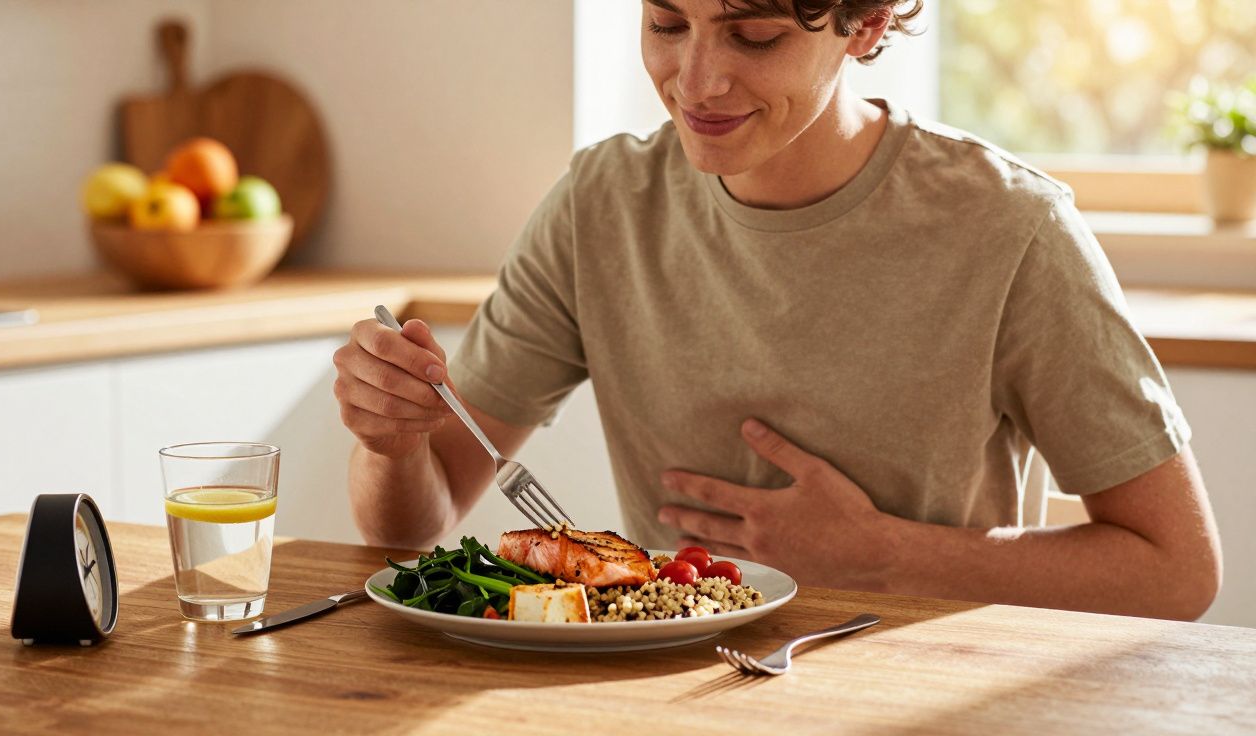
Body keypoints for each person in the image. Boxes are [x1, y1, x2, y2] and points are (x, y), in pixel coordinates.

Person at [333, 0, 1222, 620]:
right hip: (678, 697)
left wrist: (890, 555)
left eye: (752, 37)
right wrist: (389, 445)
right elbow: (419, 521)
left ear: (864, 25)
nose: (696, 80)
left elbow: (1178, 571)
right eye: (665, 23)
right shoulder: (602, 204)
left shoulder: (1010, 228)